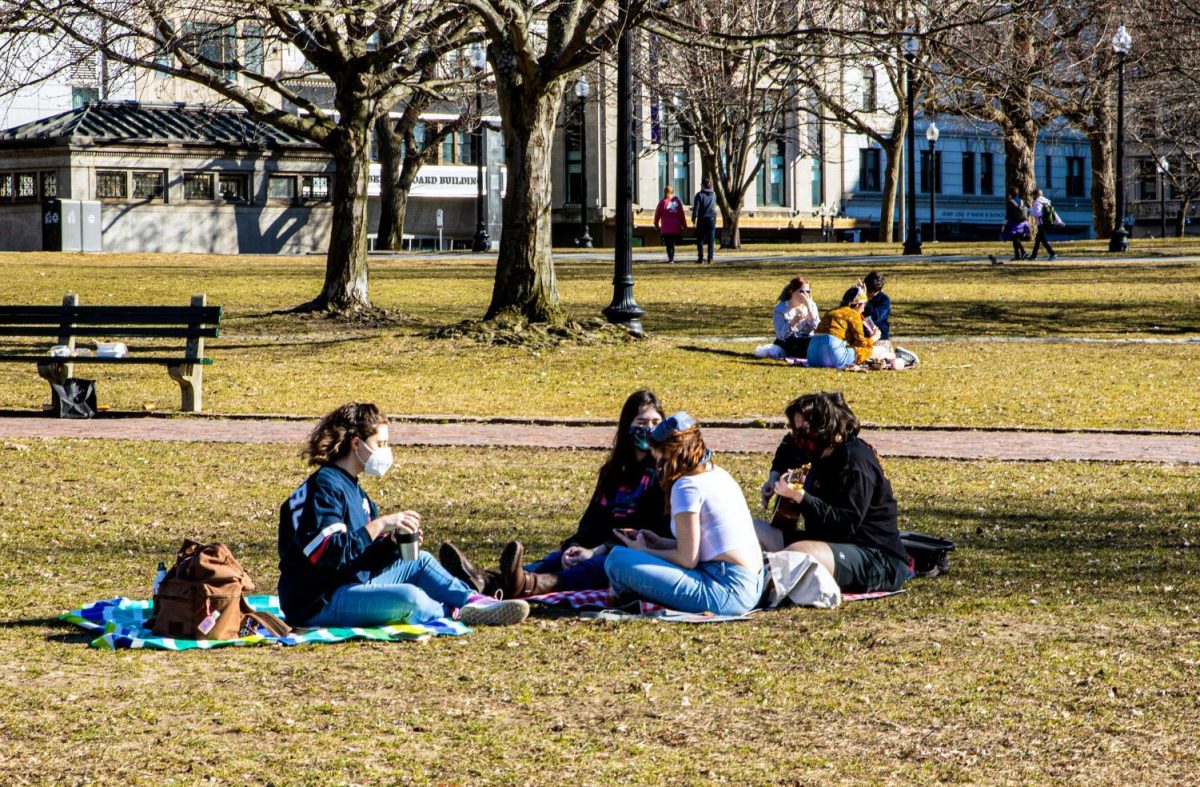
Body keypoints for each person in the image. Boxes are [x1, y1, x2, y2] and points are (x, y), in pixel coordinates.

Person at [277, 402, 530, 628]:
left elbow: (361, 561)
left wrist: (392, 544)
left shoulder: (359, 494)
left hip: (347, 584)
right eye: (381, 444)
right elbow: (327, 553)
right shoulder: (326, 485)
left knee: (421, 560)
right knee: (411, 598)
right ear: (356, 444)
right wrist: (380, 525)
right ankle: (456, 612)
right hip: (317, 600)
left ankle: (478, 603)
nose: (386, 452)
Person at [439, 390, 673, 598]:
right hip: (596, 547)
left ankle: (522, 586)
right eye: (641, 421)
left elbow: (648, 530)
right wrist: (573, 547)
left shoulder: (662, 474)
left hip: (629, 555)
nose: (649, 429)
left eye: (655, 422)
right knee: (553, 560)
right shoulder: (613, 472)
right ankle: (484, 579)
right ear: (626, 426)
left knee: (595, 567)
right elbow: (592, 521)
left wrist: (595, 551)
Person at [604, 413, 765, 616]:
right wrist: (659, 543)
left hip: (726, 591)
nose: (657, 463)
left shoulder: (686, 485)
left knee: (617, 560)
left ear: (670, 453)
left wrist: (643, 551)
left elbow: (687, 559)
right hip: (752, 584)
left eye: (659, 457)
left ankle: (628, 597)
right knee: (625, 557)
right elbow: (708, 548)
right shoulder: (718, 473)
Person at [759, 392, 909, 593]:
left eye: (803, 430)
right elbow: (788, 447)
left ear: (824, 429)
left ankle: (752, 583)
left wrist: (799, 497)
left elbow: (844, 525)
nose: (798, 437)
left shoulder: (855, 463)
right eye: (796, 430)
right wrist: (774, 476)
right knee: (749, 530)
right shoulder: (815, 446)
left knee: (796, 555)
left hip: (875, 557)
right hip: (825, 544)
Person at [806, 284, 878, 369]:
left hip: (812, 356)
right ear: (858, 304)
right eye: (864, 305)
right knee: (866, 351)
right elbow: (861, 343)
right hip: (833, 355)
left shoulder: (831, 311)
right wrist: (873, 338)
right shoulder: (853, 314)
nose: (864, 309)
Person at [772, 277, 820, 358]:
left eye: (808, 291)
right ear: (792, 291)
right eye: (801, 291)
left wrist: (809, 308)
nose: (805, 295)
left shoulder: (812, 305)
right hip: (788, 342)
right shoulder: (780, 309)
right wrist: (793, 322)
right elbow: (780, 336)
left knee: (819, 342)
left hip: (807, 340)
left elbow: (817, 328)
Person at [653, 186, 688, 263]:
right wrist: (684, 225)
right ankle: (671, 258)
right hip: (676, 227)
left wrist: (656, 224)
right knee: (672, 243)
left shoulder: (662, 202)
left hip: (666, 227)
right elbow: (681, 214)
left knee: (668, 243)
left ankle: (670, 258)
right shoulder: (678, 202)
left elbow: (657, 214)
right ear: (673, 192)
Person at [1028, 188, 1061, 261]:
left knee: (1043, 240)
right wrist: (1059, 221)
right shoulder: (1046, 202)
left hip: (1041, 223)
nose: (1033, 197)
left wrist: (1030, 212)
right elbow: (1053, 213)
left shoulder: (1037, 202)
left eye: (1033, 195)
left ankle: (1052, 253)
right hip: (1047, 223)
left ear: (1036, 195)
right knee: (1038, 240)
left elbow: (1038, 214)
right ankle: (1033, 256)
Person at [692, 177, 718, 264]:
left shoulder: (699, 195)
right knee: (711, 239)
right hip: (712, 218)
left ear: (703, 185)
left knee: (700, 239)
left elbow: (696, 209)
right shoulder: (714, 195)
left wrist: (693, 219)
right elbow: (714, 206)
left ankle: (700, 258)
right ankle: (710, 258)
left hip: (702, 218)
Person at [1000, 187, 1030, 261]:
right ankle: (1017, 256)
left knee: (1015, 238)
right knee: (1016, 239)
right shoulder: (1022, 201)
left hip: (1014, 222)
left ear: (1010, 194)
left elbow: (1008, 215)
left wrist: (1004, 224)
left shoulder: (1010, 202)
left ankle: (1023, 252)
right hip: (1023, 222)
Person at [862, 271, 891, 341]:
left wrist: (865, 301)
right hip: (861, 337)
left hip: (880, 338)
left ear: (878, 289)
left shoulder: (884, 300)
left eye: (872, 292)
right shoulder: (859, 296)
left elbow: (875, 316)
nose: (868, 294)